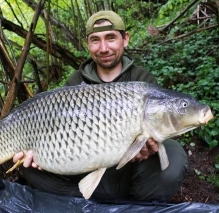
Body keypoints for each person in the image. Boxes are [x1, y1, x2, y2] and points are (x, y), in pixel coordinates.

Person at [13, 10, 188, 203]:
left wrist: (147, 151)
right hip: (83, 171)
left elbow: (152, 139)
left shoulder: (142, 81)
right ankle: (81, 203)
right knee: (25, 163)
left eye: (111, 37)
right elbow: (57, 134)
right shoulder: (74, 84)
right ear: (88, 44)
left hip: (129, 177)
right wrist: (41, 156)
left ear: (125, 39)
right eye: (95, 40)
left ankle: (138, 205)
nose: (103, 48)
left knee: (173, 153)